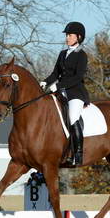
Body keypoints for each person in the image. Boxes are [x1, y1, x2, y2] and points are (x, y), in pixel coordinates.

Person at [40, 21, 89, 166]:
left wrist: (59, 85)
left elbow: (78, 77)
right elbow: (55, 73)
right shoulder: (62, 54)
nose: (67, 38)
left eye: (70, 35)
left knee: (73, 117)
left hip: (76, 93)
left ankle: (78, 154)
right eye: (67, 35)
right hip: (61, 92)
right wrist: (45, 82)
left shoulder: (82, 55)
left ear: (78, 37)